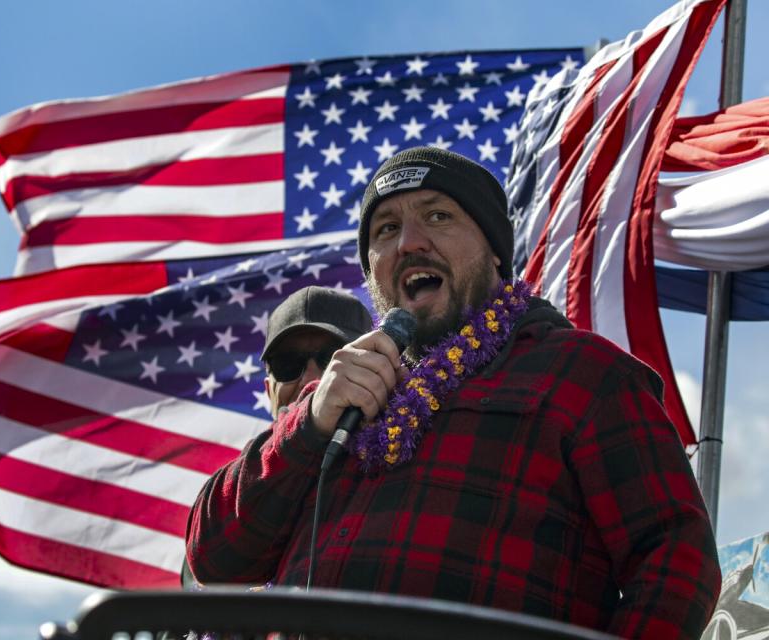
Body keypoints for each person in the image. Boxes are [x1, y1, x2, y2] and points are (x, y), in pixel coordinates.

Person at [186, 147, 721, 639]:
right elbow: (215, 557)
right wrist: (310, 426)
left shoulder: (583, 372)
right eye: (386, 229)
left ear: (495, 253)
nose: (409, 242)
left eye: (438, 216)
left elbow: (675, 558)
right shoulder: (343, 395)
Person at [181, 285, 373, 588]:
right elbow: (209, 562)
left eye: (332, 358)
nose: (312, 380)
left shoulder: (397, 462)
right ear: (269, 391)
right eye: (288, 364)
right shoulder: (232, 498)